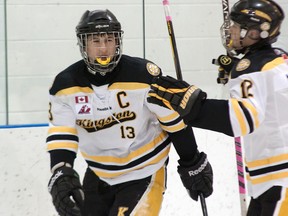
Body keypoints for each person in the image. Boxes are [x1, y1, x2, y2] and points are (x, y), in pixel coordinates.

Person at [46, 9, 213, 216]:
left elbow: (173, 121)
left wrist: (192, 161)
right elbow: (62, 134)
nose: (104, 48)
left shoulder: (143, 75)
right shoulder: (65, 86)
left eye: (109, 40)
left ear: (118, 42)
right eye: (95, 41)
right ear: (83, 45)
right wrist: (61, 171)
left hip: (144, 172)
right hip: (98, 174)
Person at [148, 0, 288, 215]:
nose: (230, 29)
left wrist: (193, 106)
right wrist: (234, 69)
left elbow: (243, 119)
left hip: (279, 180)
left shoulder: (252, 69)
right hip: (270, 179)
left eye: (237, 25)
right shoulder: (277, 59)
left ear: (254, 33)